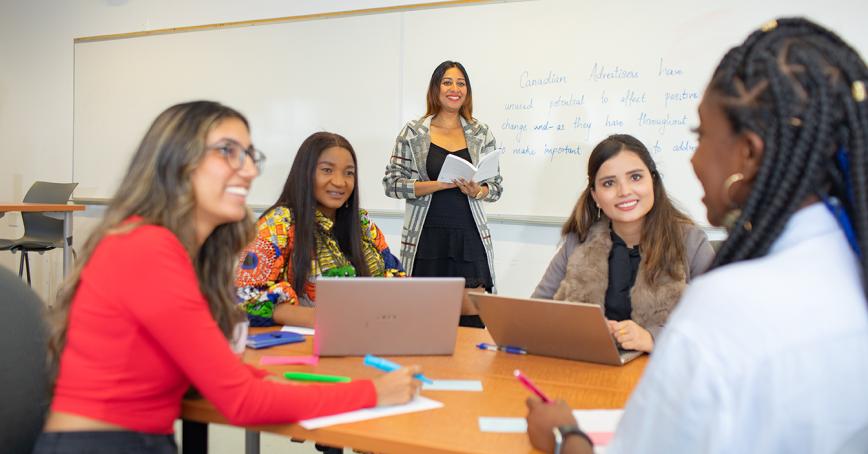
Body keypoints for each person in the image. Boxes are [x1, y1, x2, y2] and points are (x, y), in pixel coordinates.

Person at [526, 17, 868, 454]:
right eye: (609, 183)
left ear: (748, 153)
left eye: (701, 136)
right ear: (595, 194)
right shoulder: (844, 261)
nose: (693, 160)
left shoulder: (725, 304)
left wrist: (562, 438)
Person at [34, 102, 420, 454]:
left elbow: (220, 370)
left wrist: (286, 384)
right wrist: (373, 392)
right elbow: (242, 401)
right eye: (227, 152)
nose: (250, 169)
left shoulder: (170, 247)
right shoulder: (146, 250)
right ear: (176, 162)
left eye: (250, 156)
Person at [532, 134, 713, 352]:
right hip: (592, 371)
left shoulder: (691, 241)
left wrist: (653, 338)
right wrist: (582, 329)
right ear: (595, 196)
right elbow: (537, 310)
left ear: (653, 181)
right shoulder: (579, 240)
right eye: (609, 183)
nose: (624, 191)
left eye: (635, 177)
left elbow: (719, 322)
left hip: (664, 374)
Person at [236, 131, 404, 328]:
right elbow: (243, 298)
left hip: (368, 334)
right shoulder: (278, 223)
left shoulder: (362, 225)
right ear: (305, 173)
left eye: (349, 173)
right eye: (327, 170)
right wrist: (316, 319)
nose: (340, 182)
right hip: (302, 345)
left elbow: (397, 278)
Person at [383, 60, 503, 328]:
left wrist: (478, 190)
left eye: (461, 83)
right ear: (436, 88)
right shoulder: (414, 132)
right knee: (424, 319)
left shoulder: (480, 133)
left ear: (467, 91)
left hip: (469, 237)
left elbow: (496, 188)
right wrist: (437, 184)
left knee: (473, 317)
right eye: (447, 82)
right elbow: (391, 183)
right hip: (426, 237)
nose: (454, 88)